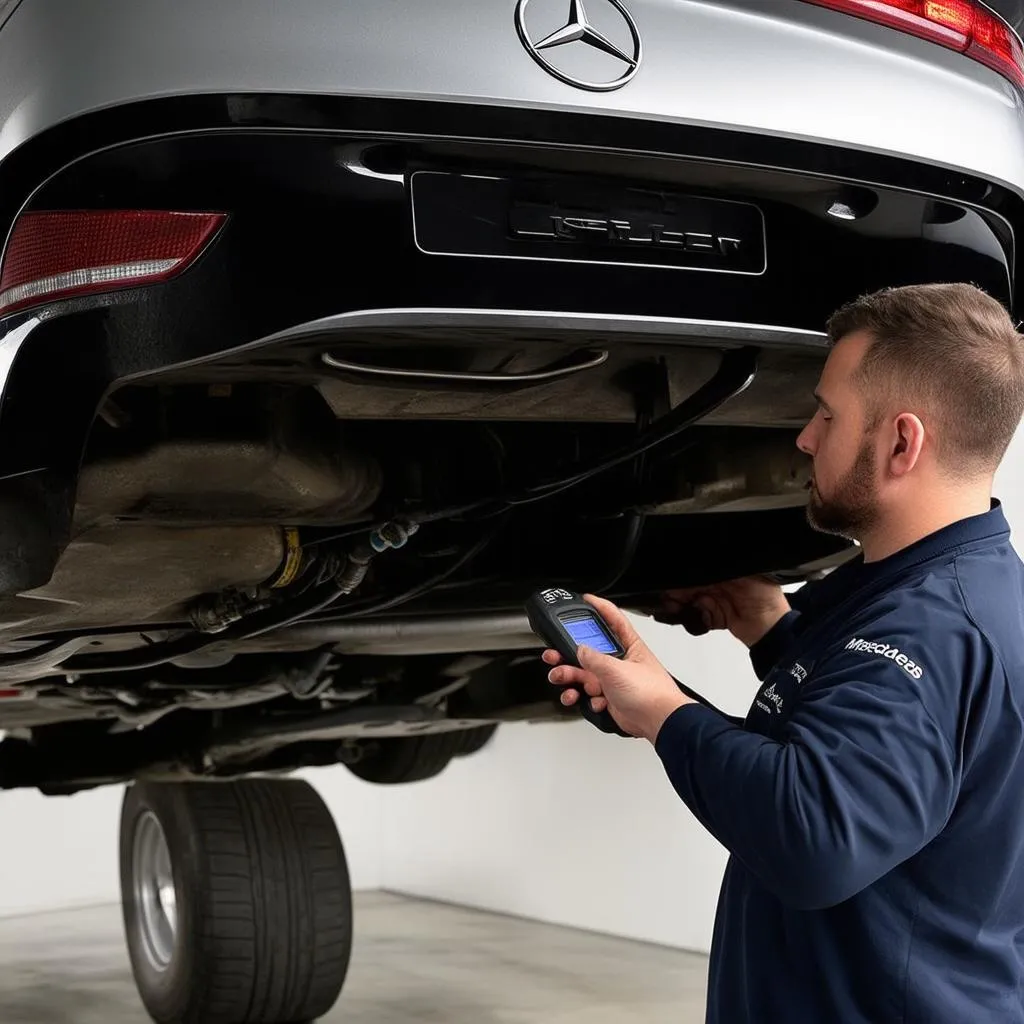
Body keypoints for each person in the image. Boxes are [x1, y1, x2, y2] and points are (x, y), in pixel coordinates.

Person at [543, 282, 1024, 1024]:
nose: (805, 437)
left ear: (903, 443)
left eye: (827, 415)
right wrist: (764, 631)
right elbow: (848, 740)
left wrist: (667, 716)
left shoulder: (923, 632)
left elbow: (815, 836)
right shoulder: (949, 590)